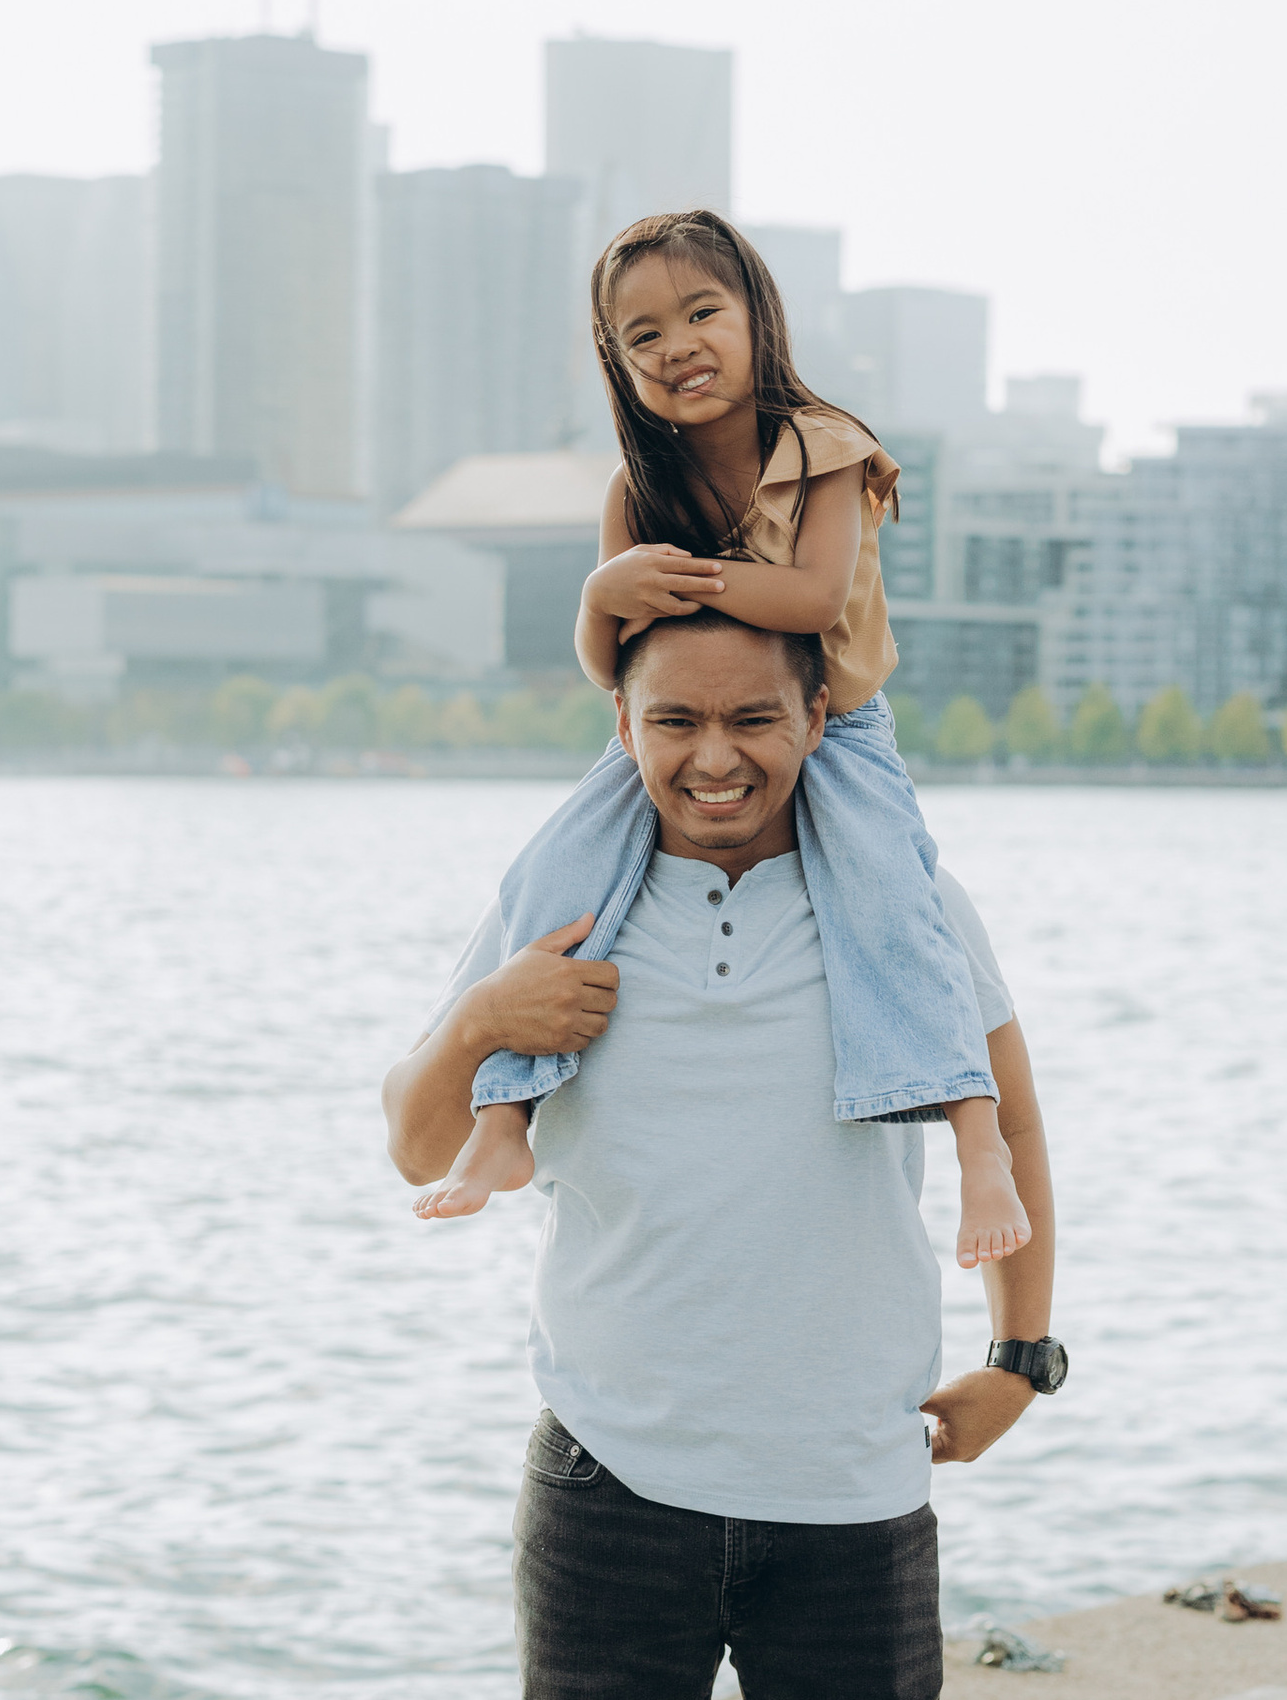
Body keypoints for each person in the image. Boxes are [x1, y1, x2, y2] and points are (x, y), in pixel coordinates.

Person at [382, 602, 1063, 1700]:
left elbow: (1011, 1107)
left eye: (752, 718)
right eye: (673, 720)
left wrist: (1026, 1351)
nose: (713, 756)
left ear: (813, 712)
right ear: (621, 722)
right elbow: (408, 1137)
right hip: (615, 1481)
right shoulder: (567, 894)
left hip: (848, 1497)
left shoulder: (891, 886)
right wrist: (480, 1023)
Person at [415, 209, 1028, 1272]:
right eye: (643, 335)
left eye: (702, 312)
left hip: (831, 727)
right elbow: (616, 666)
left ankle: (978, 1145)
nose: (677, 345)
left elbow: (809, 597)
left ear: (757, 318)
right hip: (674, 722)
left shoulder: (822, 450)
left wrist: (683, 585)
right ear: (617, 361)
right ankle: (504, 1120)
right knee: (555, 875)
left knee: (893, 904)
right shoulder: (634, 489)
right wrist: (601, 593)